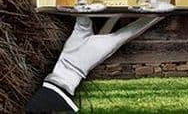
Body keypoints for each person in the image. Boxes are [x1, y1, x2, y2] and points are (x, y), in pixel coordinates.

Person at [26, 16, 161, 112]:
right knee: (84, 20)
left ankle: (158, 15)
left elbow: (69, 107)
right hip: (68, 55)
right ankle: (156, 15)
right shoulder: (44, 98)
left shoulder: (54, 97)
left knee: (121, 37)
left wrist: (159, 16)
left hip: (82, 62)